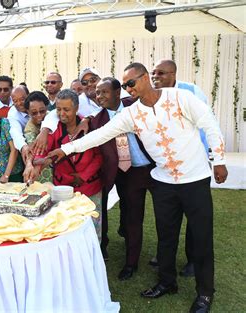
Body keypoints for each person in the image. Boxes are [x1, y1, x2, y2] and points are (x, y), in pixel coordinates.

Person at [48, 63, 228, 313]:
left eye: (130, 83)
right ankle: (167, 282)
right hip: (164, 181)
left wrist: (218, 160)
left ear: (145, 79)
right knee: (166, 236)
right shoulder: (131, 115)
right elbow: (100, 135)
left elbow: (209, 123)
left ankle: (205, 294)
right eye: (124, 85)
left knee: (201, 236)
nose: (127, 89)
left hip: (195, 179)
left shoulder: (179, 97)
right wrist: (66, 148)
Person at [149, 59, 211, 277]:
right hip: (165, 170)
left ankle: (193, 260)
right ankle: (165, 258)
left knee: (195, 220)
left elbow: (206, 122)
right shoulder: (150, 97)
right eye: (153, 73)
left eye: (161, 73)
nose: (155, 77)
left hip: (193, 167)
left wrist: (209, 156)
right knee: (167, 220)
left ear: (173, 74)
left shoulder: (190, 91)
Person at [92, 77, 155, 278]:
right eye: (97, 92)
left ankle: (164, 256)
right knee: (132, 217)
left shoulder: (135, 104)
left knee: (166, 215)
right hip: (127, 173)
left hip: (156, 167)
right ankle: (131, 263)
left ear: (118, 92)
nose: (99, 96)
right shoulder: (97, 120)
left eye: (104, 92)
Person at [32, 89, 103, 239]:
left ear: (76, 108)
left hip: (90, 186)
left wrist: (83, 176)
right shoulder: (53, 129)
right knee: (65, 227)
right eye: (58, 109)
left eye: (66, 109)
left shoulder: (89, 126)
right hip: (62, 188)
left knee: (92, 226)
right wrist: (37, 164)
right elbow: (42, 153)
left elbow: (99, 156)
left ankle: (95, 256)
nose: (62, 113)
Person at [22, 91, 52, 184]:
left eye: (42, 111)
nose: (39, 115)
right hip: (41, 171)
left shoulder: (53, 117)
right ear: (28, 112)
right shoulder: (29, 129)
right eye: (34, 113)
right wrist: (29, 163)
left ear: (47, 107)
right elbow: (33, 150)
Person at [7, 85, 32, 163]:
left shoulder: (36, 103)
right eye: (15, 101)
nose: (19, 103)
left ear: (29, 96)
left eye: (22, 99)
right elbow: (15, 131)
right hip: (27, 146)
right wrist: (23, 146)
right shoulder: (13, 113)